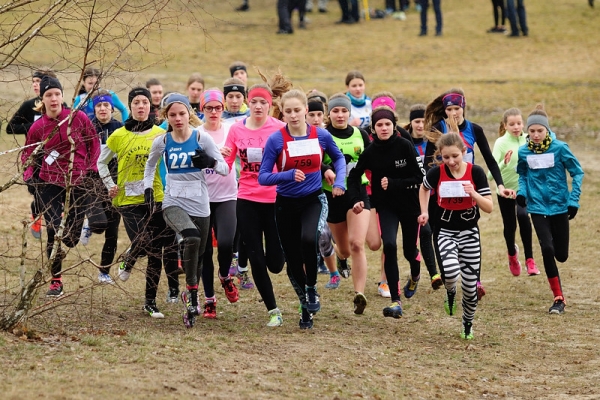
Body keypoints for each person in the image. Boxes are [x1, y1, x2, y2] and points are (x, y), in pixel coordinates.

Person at [258, 89, 346, 329]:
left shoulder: (321, 135)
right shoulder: (276, 140)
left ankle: (311, 289)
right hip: (285, 205)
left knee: (310, 238)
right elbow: (263, 177)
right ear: (282, 113)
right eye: (288, 111)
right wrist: (286, 175)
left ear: (306, 110)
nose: (294, 115)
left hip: (313, 200)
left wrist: (339, 182)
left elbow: (338, 159)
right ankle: (305, 308)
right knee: (293, 260)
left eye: (298, 110)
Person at [143, 93, 230, 327]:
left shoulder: (202, 138)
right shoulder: (162, 141)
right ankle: (192, 298)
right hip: (173, 201)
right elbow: (150, 165)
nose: (178, 118)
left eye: (182, 113)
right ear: (166, 117)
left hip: (200, 202)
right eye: (172, 115)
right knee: (190, 236)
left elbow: (224, 168)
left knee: (199, 256)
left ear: (189, 114)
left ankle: (189, 292)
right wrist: (148, 189)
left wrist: (210, 163)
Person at [424, 88, 515, 299]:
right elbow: (429, 161)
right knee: (440, 231)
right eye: (449, 109)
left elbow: (490, 160)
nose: (453, 112)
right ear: (444, 111)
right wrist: (432, 183)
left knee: (470, 231)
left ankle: (475, 280)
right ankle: (447, 275)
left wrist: (500, 185)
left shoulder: (474, 129)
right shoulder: (438, 129)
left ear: (463, 107)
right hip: (442, 190)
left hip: (468, 189)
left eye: (457, 108)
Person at [97, 87, 179, 318]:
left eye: (144, 102)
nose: (141, 106)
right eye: (136, 103)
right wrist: (109, 184)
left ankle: (150, 302)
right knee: (144, 240)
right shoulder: (118, 135)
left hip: (156, 196)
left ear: (150, 107)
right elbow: (101, 163)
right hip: (127, 199)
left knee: (155, 251)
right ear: (130, 107)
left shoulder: (160, 133)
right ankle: (129, 259)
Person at [21, 75, 105, 297]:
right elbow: (27, 155)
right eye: (49, 95)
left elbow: (93, 143)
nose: (54, 98)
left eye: (57, 94)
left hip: (78, 180)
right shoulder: (38, 127)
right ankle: (55, 281)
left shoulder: (77, 119)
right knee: (54, 230)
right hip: (50, 182)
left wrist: (92, 170)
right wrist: (30, 177)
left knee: (70, 238)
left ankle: (77, 228)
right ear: (43, 99)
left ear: (62, 96)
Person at [348, 106, 424, 319]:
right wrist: (356, 199)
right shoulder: (371, 151)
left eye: (387, 124)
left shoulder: (405, 146)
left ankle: (415, 273)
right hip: (386, 206)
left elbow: (419, 178)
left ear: (394, 125)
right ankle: (396, 301)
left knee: (410, 250)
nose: (383, 128)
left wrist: (394, 183)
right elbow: (354, 176)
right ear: (373, 128)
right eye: (379, 125)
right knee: (389, 245)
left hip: (409, 205)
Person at [418, 131, 493, 340]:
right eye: (445, 157)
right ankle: (450, 292)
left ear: (464, 152)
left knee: (470, 288)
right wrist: (424, 211)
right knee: (450, 272)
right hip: (445, 232)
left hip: (470, 233)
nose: (451, 161)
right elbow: (424, 189)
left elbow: (489, 207)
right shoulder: (437, 173)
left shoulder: (476, 172)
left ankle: (467, 323)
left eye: (455, 156)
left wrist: (474, 193)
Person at [223, 84, 287, 327]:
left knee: (275, 264)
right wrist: (215, 157)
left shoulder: (280, 129)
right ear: (247, 104)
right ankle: (273, 310)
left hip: (275, 199)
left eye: (263, 102)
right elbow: (226, 165)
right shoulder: (236, 130)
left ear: (269, 105)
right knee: (256, 259)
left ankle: (280, 253)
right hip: (247, 198)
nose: (258, 106)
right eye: (254, 102)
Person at [516, 106, 583, 314]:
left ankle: (557, 252)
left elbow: (577, 173)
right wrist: (522, 193)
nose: (535, 135)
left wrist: (573, 201)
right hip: (536, 207)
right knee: (546, 249)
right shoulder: (523, 151)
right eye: (532, 131)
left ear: (547, 130)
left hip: (560, 206)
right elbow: (523, 175)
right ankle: (558, 298)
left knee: (561, 255)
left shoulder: (560, 148)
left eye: (540, 131)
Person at [195, 89, 244, 319]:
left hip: (227, 195)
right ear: (202, 110)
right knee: (204, 252)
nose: (213, 112)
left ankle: (225, 276)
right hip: (202, 197)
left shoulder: (231, 131)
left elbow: (243, 155)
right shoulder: (195, 133)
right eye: (208, 108)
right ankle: (209, 300)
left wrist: (230, 152)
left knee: (225, 243)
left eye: (217, 108)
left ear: (223, 109)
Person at [323, 93, 371, 314]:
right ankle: (341, 260)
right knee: (343, 249)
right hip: (333, 195)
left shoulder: (361, 134)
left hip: (358, 191)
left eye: (344, 111)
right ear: (329, 113)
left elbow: (375, 158)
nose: (340, 115)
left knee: (357, 244)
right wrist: (326, 171)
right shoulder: (322, 135)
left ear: (349, 112)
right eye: (335, 111)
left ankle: (358, 294)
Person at [7, 67, 58, 240]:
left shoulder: (61, 106)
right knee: (38, 194)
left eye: (39, 81)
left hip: (56, 159)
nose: (35, 85)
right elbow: (10, 128)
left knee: (54, 195)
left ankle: (55, 226)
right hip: (34, 160)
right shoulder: (29, 106)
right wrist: (34, 127)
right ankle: (36, 213)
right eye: (34, 81)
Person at [488, 108, 539, 277]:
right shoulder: (501, 143)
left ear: (523, 123)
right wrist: (504, 162)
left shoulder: (528, 139)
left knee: (524, 216)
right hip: (505, 191)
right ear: (505, 125)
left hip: (524, 189)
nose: (516, 127)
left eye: (519, 123)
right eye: (512, 124)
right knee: (510, 226)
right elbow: (489, 174)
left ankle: (530, 260)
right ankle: (512, 255)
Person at [404, 104, 442, 289]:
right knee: (425, 232)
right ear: (410, 123)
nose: (420, 125)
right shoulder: (406, 143)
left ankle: (431, 273)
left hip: (436, 195)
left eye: (424, 121)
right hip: (413, 197)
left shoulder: (434, 143)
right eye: (417, 121)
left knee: (436, 233)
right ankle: (433, 274)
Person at [90, 90, 124, 284]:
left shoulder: (120, 129)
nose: (102, 109)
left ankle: (104, 271)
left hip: (114, 183)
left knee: (112, 231)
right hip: (92, 183)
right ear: (94, 108)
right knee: (98, 224)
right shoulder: (88, 127)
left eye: (106, 106)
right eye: (98, 106)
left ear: (112, 108)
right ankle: (88, 225)